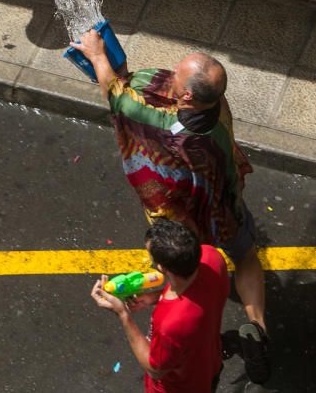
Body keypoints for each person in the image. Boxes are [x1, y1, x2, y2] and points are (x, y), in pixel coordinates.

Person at [72, 35, 270, 384]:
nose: (172, 72)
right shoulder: (217, 106)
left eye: (179, 73)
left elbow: (120, 100)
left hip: (182, 212)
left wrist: (99, 55)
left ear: (188, 96)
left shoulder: (168, 128)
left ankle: (172, 286)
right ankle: (259, 329)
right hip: (221, 199)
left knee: (178, 260)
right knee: (246, 256)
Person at [91, 218, 229, 392]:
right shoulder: (212, 257)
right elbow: (195, 291)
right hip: (210, 365)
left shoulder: (172, 324)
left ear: (162, 268)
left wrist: (123, 314)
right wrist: (155, 297)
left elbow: (155, 368)